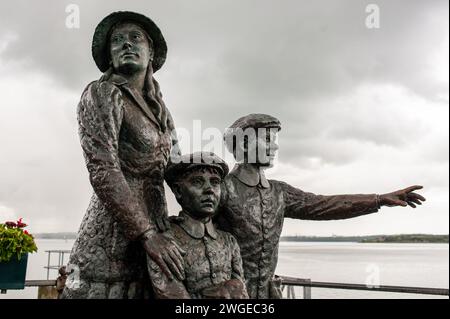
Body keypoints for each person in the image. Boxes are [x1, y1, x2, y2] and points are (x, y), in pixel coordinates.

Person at [217, 113, 426, 299]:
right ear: (244, 144)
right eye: (268, 139)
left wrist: (378, 199)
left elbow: (323, 205)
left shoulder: (279, 192)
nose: (276, 146)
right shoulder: (220, 189)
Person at [62, 11, 185, 299]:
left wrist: (217, 201)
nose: (125, 44)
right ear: (110, 55)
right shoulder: (103, 94)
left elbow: (179, 173)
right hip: (110, 240)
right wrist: (147, 235)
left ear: (150, 52)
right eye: (117, 41)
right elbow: (103, 169)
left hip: (154, 242)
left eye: (135, 38)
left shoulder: (161, 113)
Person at [148, 152, 248, 299]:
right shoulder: (165, 240)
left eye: (215, 182)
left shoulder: (229, 242)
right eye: (197, 182)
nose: (209, 189)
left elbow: (240, 292)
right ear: (178, 190)